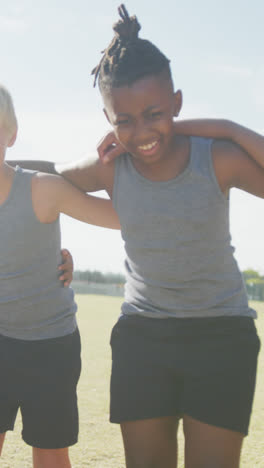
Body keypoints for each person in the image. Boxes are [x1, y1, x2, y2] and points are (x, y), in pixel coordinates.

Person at [11, 4, 264, 467]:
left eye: (155, 114)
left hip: (222, 337)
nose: (141, 132)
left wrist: (223, 126)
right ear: (107, 119)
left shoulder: (218, 156)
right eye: (123, 121)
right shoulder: (111, 166)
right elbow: (40, 174)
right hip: (143, 339)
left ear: (178, 104)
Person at [0, 84, 119, 468]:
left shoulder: (43, 189)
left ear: (11, 135)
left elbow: (121, 217)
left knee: (50, 454)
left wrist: (123, 158)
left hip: (51, 345)